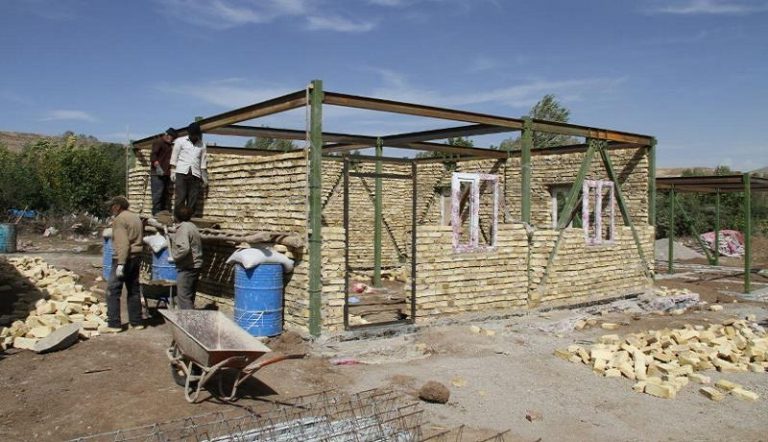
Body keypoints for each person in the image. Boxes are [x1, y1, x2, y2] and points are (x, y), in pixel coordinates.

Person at [104, 196, 144, 332]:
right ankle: (137, 322)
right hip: (136, 257)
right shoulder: (135, 217)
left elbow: (123, 243)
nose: (111, 209)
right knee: (133, 290)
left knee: (113, 291)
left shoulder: (120, 220)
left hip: (123, 258)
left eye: (112, 206)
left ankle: (114, 324)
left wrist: (121, 263)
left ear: (117, 206)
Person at [169, 204, 203, 309]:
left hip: (188, 267)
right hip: (195, 266)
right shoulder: (192, 226)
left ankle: (188, 318)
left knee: (183, 297)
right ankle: (191, 317)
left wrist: (174, 257)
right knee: (189, 296)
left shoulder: (183, 228)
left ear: (176, 216)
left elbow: (184, 248)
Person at [170, 121, 208, 214]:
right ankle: (177, 218)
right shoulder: (180, 141)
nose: (194, 137)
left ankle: (190, 218)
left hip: (195, 174)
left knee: (192, 198)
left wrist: (204, 177)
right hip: (181, 173)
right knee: (181, 196)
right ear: (189, 133)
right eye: (192, 134)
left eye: (196, 135)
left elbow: (203, 162)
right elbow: (174, 157)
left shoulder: (202, 145)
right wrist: (172, 171)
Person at [150, 127, 177, 215]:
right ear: (167, 135)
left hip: (166, 174)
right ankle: (156, 214)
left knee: (164, 195)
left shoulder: (169, 145)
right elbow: (153, 156)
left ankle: (162, 214)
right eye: (172, 138)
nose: (172, 140)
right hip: (157, 174)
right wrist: (158, 167)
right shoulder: (158, 142)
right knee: (157, 194)